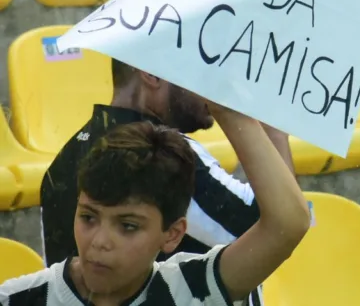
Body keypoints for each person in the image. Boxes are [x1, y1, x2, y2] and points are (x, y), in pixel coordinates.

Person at [41, 59, 294, 306]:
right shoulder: (161, 156)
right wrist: (272, 128)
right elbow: (278, 224)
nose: (217, 85)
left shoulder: (65, 157)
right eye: (207, 66)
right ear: (153, 74)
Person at [0, 106, 309, 306]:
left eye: (128, 226)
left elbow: (289, 223)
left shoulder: (192, 287)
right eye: (88, 217)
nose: (99, 241)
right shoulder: (18, 299)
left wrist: (229, 109)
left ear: (173, 234)